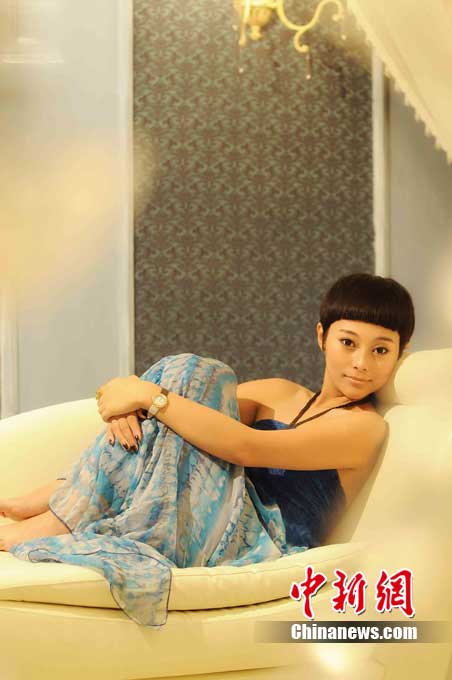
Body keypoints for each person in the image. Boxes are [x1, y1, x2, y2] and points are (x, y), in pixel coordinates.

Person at [0, 272, 415, 628]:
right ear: (322, 336)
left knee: (188, 380)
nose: (361, 362)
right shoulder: (280, 393)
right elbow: (177, 417)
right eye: (348, 342)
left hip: (257, 540)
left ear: (400, 354)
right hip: (205, 512)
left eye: (380, 350)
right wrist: (129, 407)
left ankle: (49, 514)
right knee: (195, 373)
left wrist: (144, 394)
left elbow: (246, 447)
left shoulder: (364, 427)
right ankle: (49, 504)